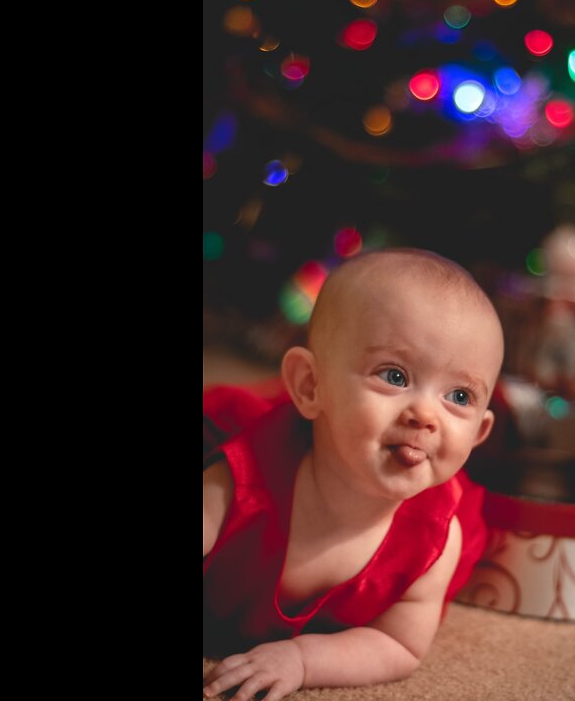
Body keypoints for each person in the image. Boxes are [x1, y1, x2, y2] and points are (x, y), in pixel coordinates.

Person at [202, 249, 504, 700]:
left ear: (479, 432)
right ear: (310, 386)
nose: (425, 415)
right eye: (395, 375)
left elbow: (398, 644)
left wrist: (303, 659)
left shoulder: (435, 542)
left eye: (459, 395)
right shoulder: (238, 482)